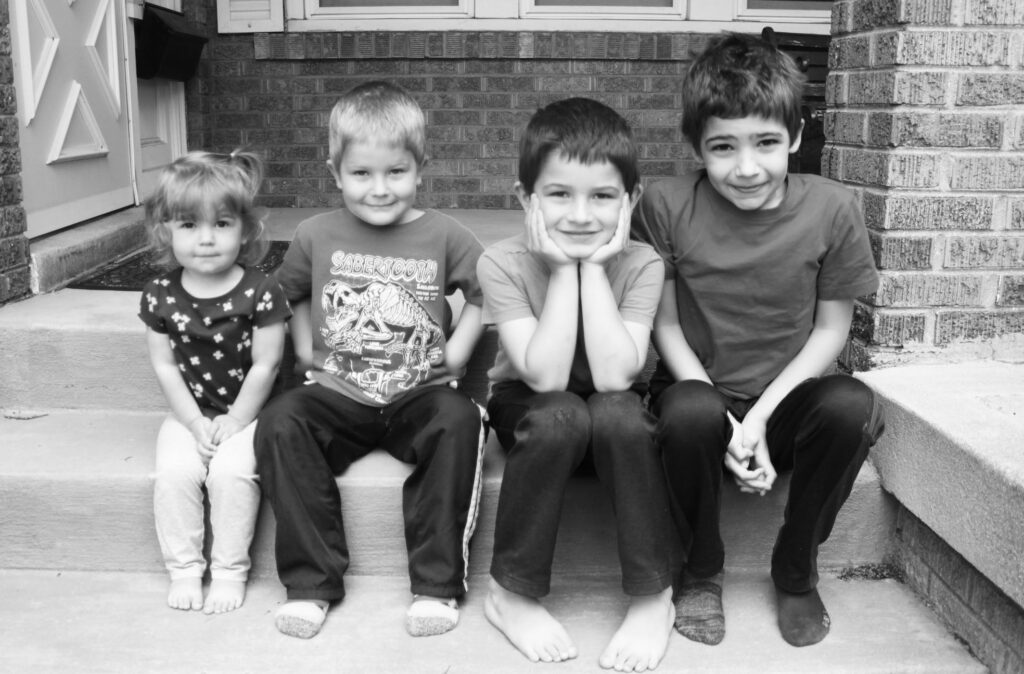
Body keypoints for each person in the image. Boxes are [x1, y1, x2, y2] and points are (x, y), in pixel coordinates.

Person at [631, 32, 886, 648]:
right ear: (697, 146)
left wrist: (757, 422)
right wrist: (724, 416)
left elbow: (832, 329)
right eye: (723, 147)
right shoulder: (665, 204)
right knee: (689, 411)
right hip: (697, 395)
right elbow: (664, 324)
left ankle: (796, 567)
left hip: (786, 403)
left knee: (852, 406)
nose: (746, 167)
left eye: (766, 143)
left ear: (796, 136)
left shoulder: (832, 208)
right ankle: (700, 569)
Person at [254, 81, 487, 640]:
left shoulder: (445, 234)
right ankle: (311, 584)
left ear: (420, 168)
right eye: (361, 174)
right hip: (339, 393)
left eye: (395, 173)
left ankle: (436, 585)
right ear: (335, 172)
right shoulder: (314, 234)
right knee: (281, 421)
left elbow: (488, 294)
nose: (379, 190)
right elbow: (287, 296)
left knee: (460, 423)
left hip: (420, 395)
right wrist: (308, 348)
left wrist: (455, 355)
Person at [478, 97, 675, 672]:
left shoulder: (641, 264)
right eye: (560, 195)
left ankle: (651, 596)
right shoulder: (504, 262)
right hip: (534, 411)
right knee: (562, 409)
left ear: (631, 200)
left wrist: (593, 267)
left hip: (614, 416)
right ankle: (510, 593)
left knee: (615, 409)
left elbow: (618, 376)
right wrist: (565, 269)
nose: (582, 215)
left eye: (603, 196)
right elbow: (544, 377)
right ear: (525, 199)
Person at [139, 150, 291, 615]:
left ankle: (229, 571)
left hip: (251, 411)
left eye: (221, 224)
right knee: (174, 474)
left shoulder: (261, 291)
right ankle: (184, 568)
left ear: (245, 229)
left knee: (231, 473)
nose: (206, 239)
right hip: (190, 411)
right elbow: (165, 366)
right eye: (189, 225)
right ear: (166, 230)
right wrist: (192, 422)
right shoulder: (160, 294)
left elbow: (267, 364)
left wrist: (237, 419)